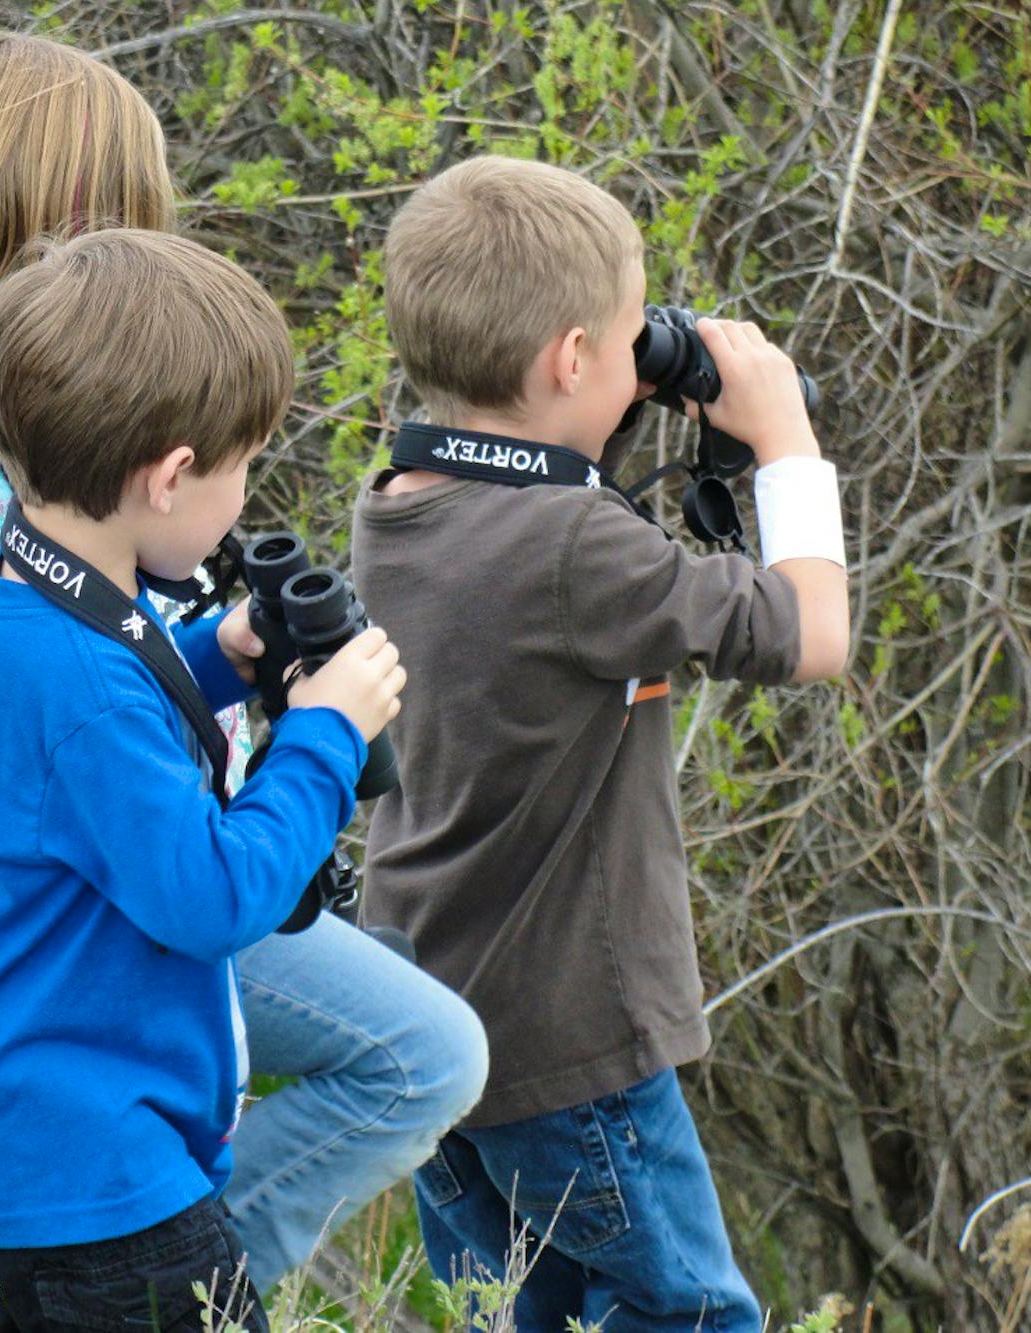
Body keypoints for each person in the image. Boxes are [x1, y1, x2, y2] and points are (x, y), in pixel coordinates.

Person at [0, 30, 486, 1293]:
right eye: (121, 221)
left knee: (424, 1052)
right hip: (115, 886)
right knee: (413, 1056)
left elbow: (99, 660)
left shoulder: (86, 401)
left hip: (165, 842)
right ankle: (163, 1267)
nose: (149, 243)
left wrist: (223, 661)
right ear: (37, 233)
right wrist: (27, 876)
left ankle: (169, 1262)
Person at [352, 154, 851, 1329]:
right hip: (568, 1046)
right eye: (631, 341)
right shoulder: (574, 549)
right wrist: (779, 438)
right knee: (690, 1314)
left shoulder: (401, 502)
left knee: (532, 1313)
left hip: (432, 1019)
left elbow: (540, 512)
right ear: (570, 361)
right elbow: (809, 633)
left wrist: (617, 409)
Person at [0, 226, 411, 1330]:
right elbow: (212, 897)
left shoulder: (22, 587)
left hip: (19, 1130)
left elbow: (82, 743)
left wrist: (212, 662)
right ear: (170, 475)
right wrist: (322, 734)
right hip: (86, 1173)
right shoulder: (80, 668)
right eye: (239, 469)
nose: (240, 498)